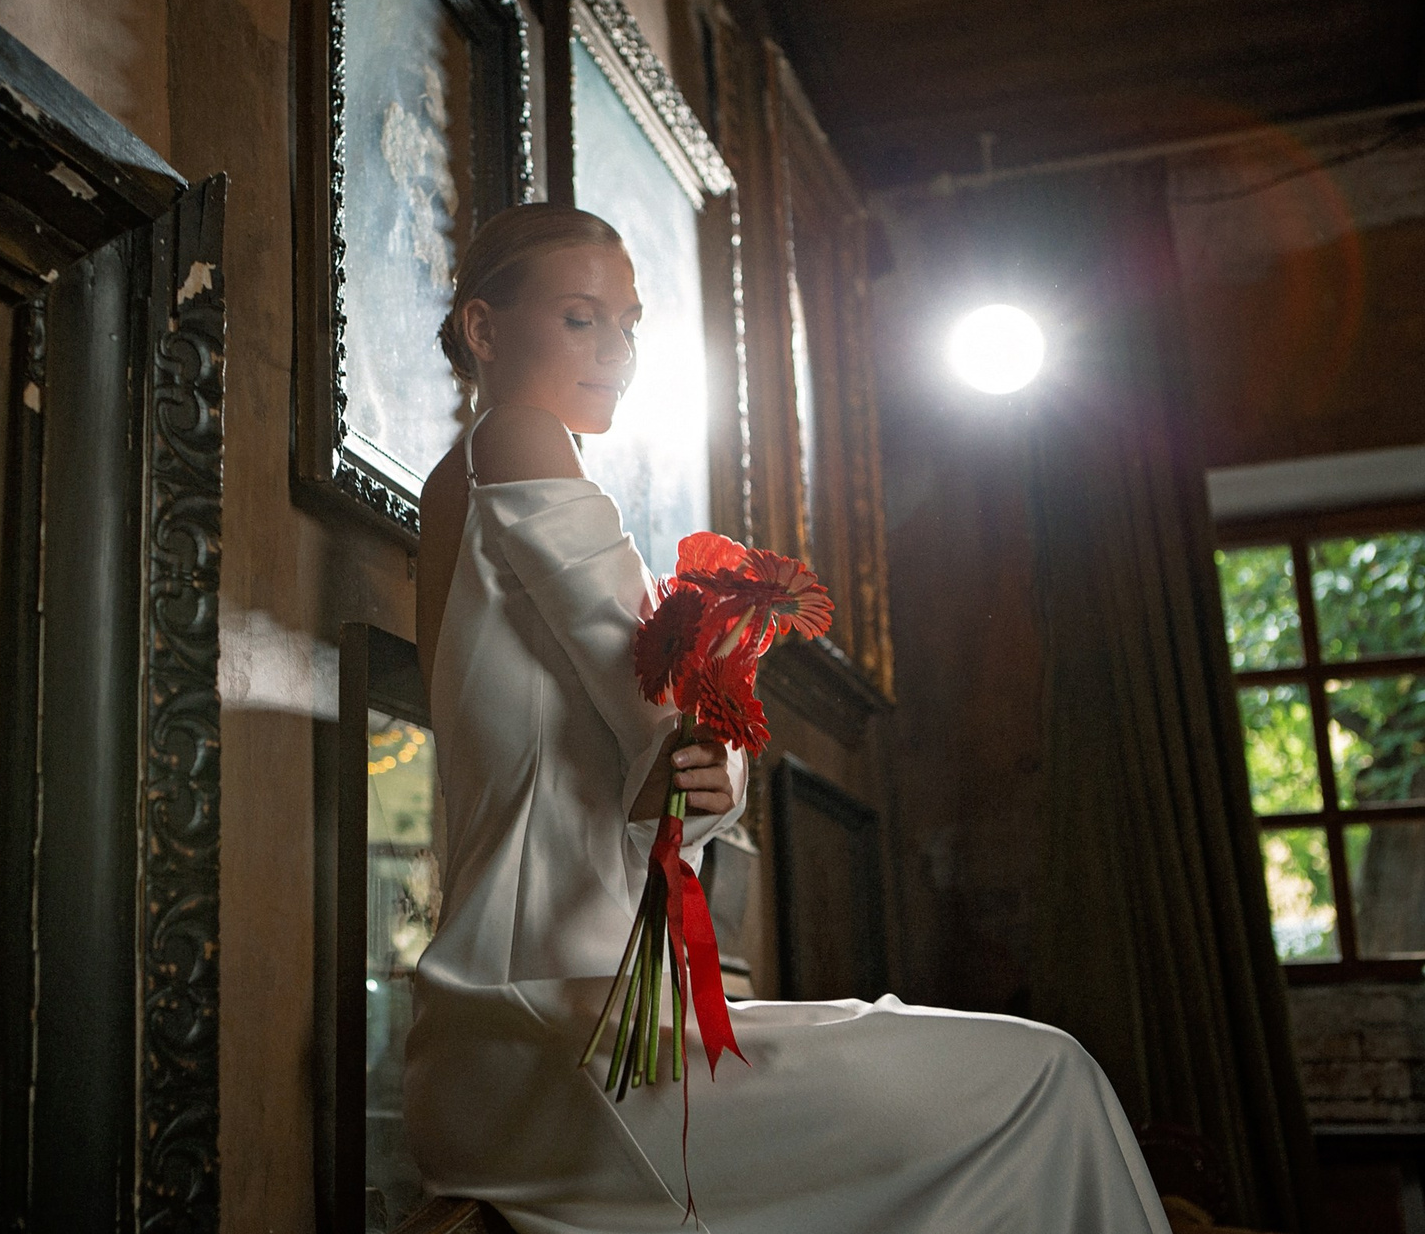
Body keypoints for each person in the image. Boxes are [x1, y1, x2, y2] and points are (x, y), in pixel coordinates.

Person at [403, 202, 1169, 1233]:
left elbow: (639, 737)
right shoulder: (515, 434)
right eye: (581, 319)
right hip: (550, 1044)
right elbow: (643, 682)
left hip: (522, 1043)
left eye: (628, 324)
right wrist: (705, 736)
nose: (617, 351)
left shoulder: (461, 485)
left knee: (1017, 1085)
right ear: (484, 329)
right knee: (1043, 1078)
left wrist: (702, 751)